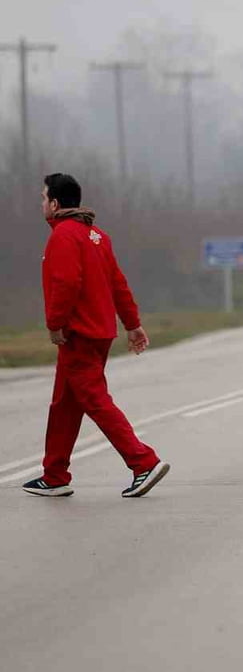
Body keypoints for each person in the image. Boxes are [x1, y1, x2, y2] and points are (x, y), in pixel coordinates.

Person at [24, 173, 170, 498]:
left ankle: (143, 462)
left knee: (95, 400)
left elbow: (66, 284)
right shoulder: (97, 236)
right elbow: (117, 282)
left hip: (79, 333)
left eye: (43, 198)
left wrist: (55, 324)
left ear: (55, 203)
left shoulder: (63, 236)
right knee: (65, 403)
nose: (41, 203)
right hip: (100, 331)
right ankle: (54, 475)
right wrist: (132, 324)